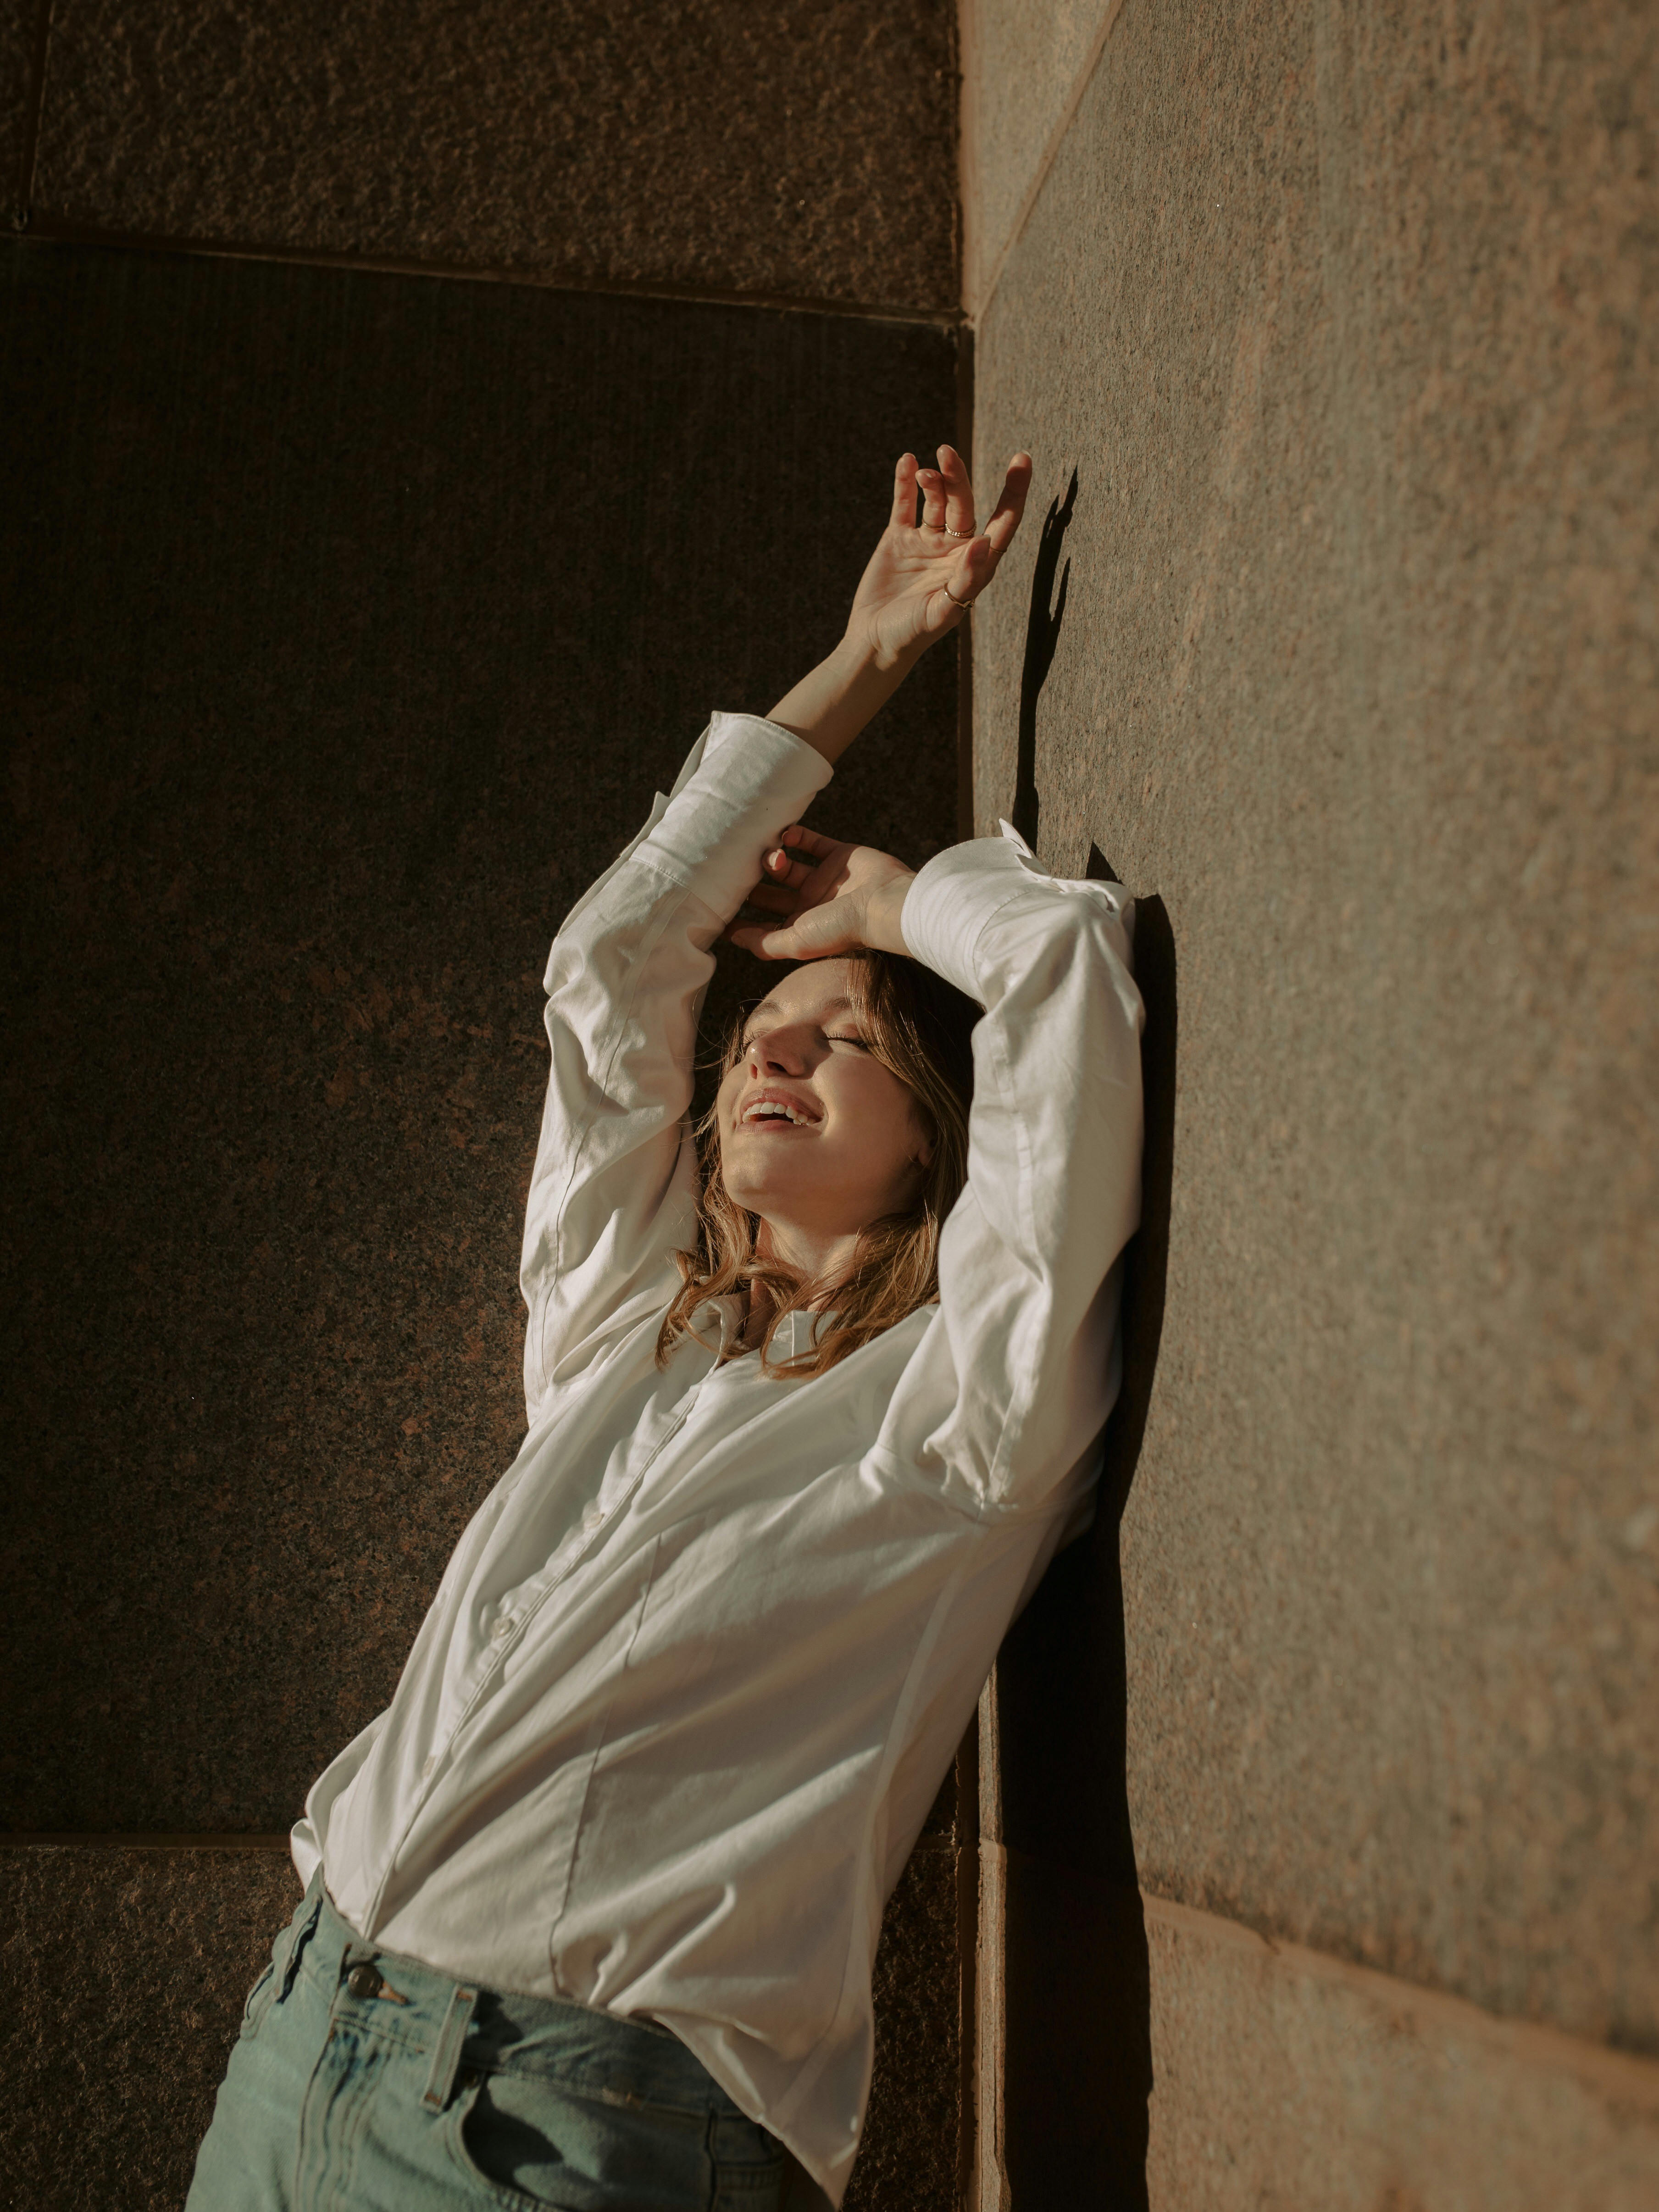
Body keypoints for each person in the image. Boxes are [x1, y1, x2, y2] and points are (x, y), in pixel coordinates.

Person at [186, 444, 1145, 2212]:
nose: (770, 1048)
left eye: (843, 1035)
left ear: (937, 1123)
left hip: (569, 2130)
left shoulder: (959, 1412)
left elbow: (1067, 973)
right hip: (294, 2049)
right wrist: (868, 654)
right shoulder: (616, 1338)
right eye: (763, 1036)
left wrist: (884, 904)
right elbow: (615, 964)